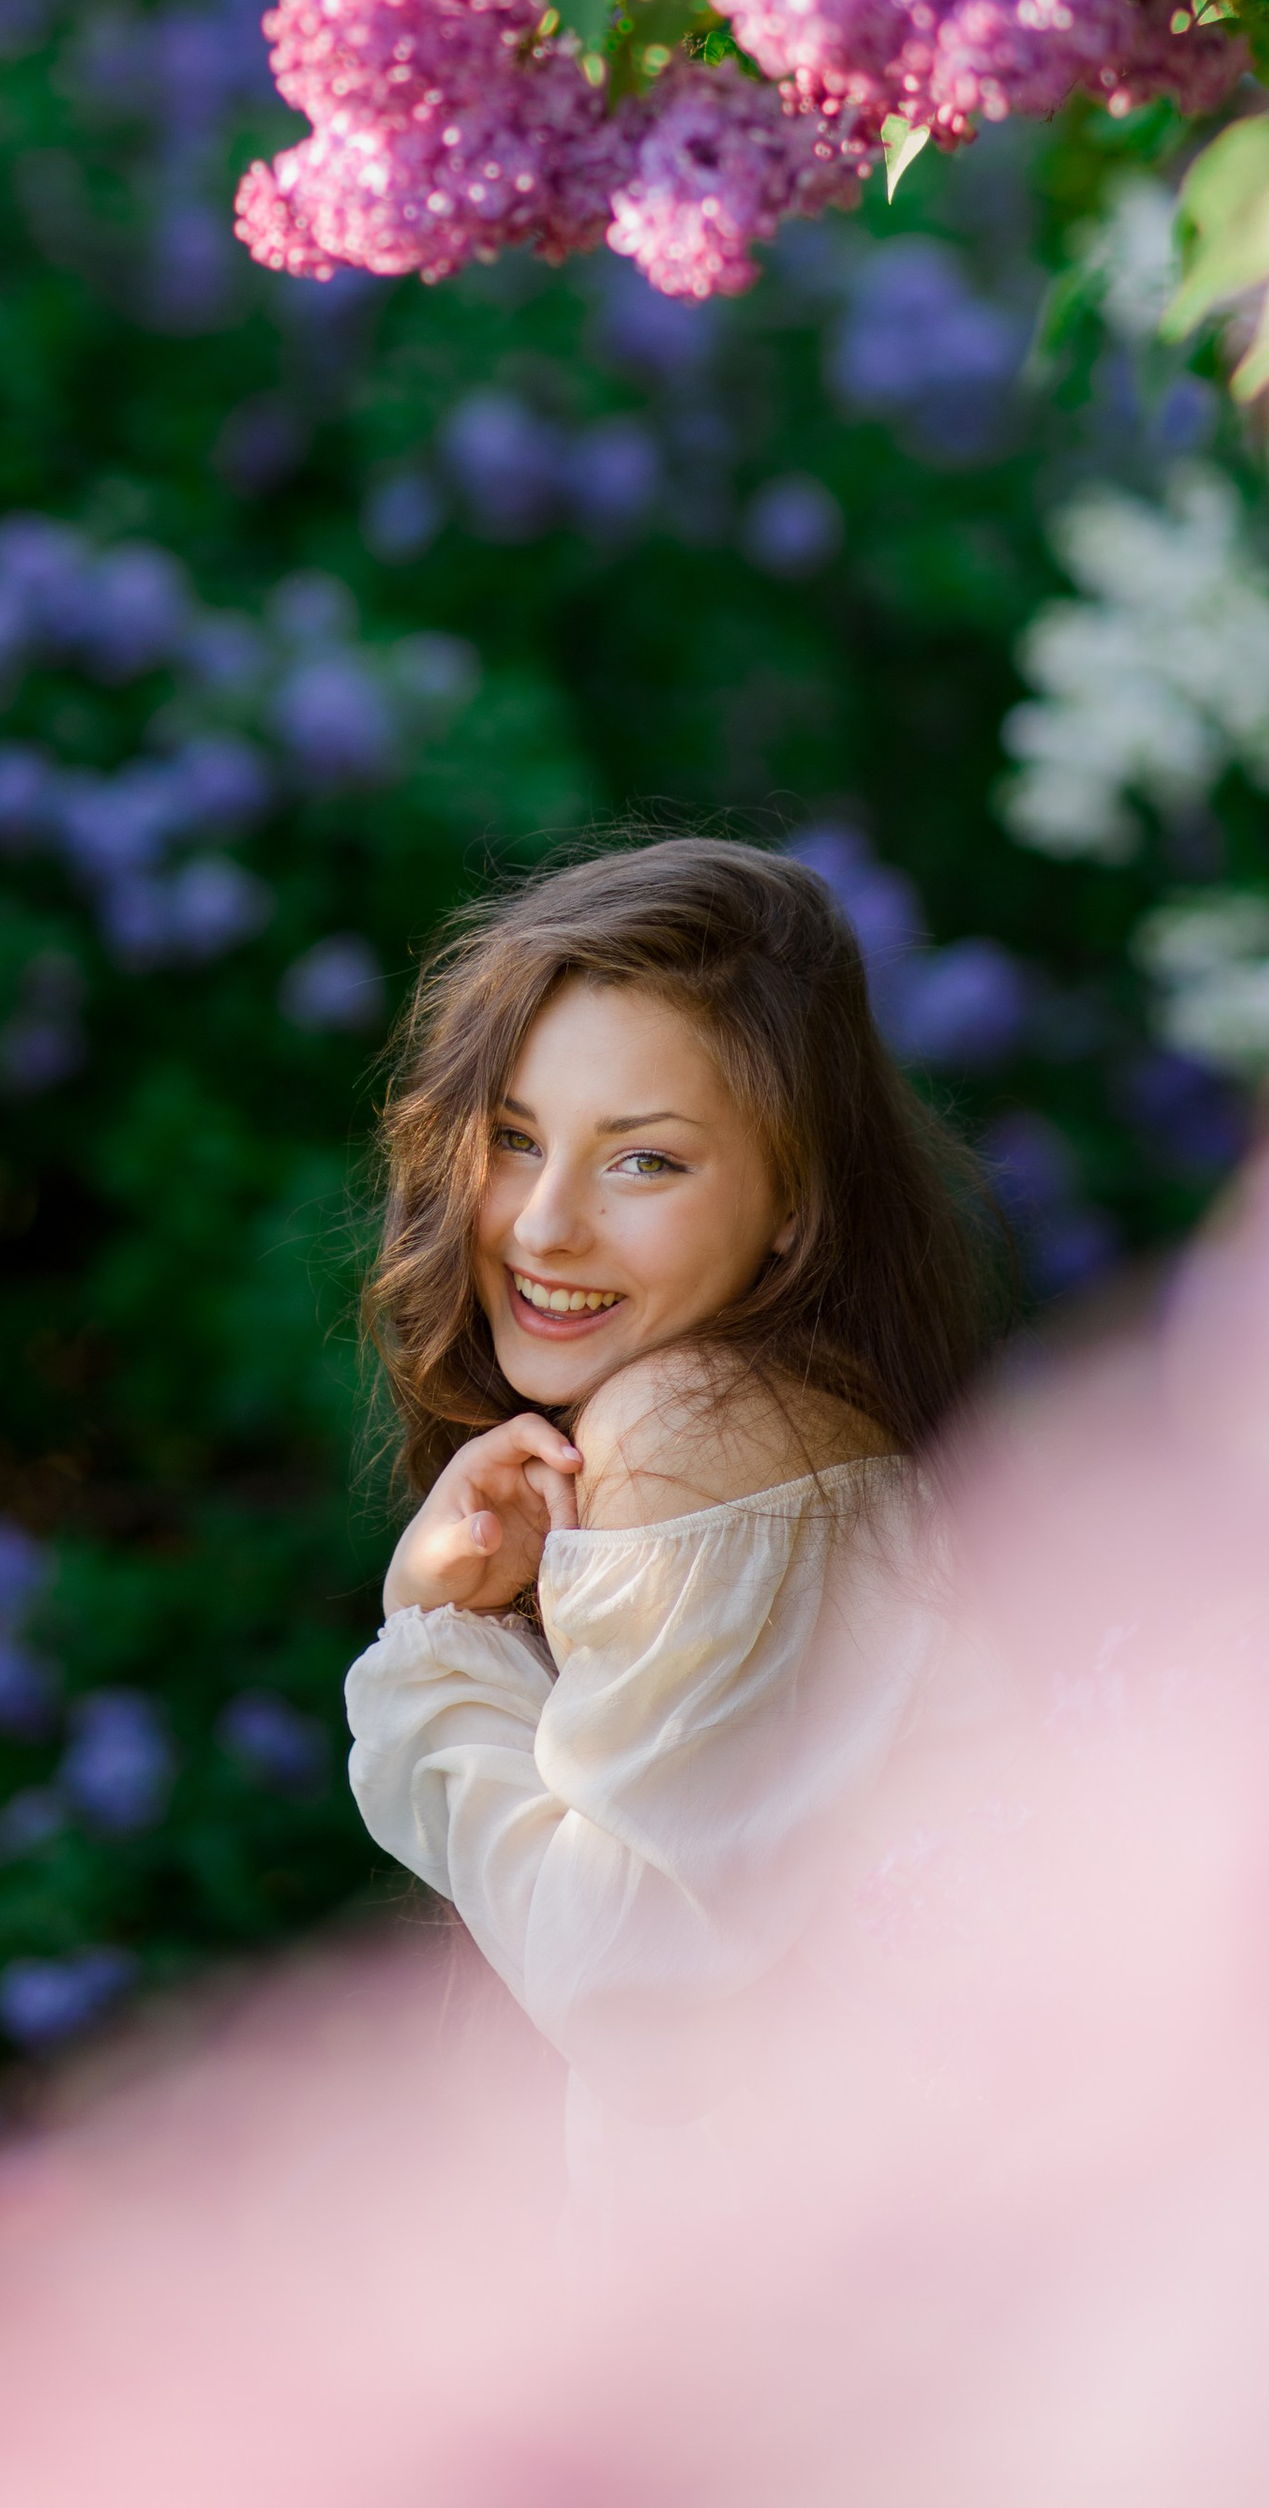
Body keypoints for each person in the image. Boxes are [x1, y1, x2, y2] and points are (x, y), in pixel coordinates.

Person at [345, 837, 994, 2139]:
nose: (541, 1226)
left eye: (643, 1160)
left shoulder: (686, 1421)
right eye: (518, 1140)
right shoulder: (792, 1422)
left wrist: (435, 1665)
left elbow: (638, 1997)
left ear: (792, 1208)